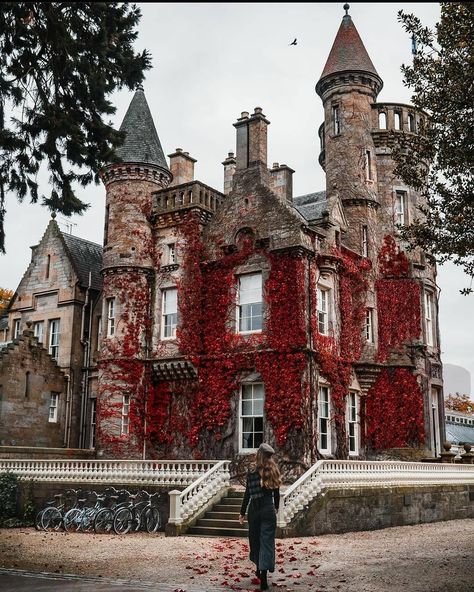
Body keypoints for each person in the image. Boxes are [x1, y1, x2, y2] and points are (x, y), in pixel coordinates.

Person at [239, 442, 282, 591]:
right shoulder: (274, 470)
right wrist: (276, 507)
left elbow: (247, 494)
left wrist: (242, 513)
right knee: (267, 542)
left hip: (254, 510)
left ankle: (259, 569)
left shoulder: (251, 471)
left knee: (255, 540)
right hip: (268, 509)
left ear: (259, 454)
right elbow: (276, 494)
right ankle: (263, 575)